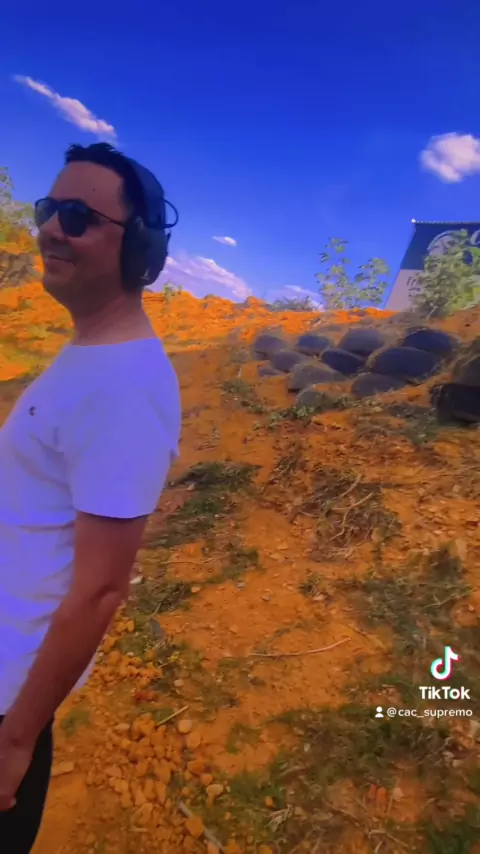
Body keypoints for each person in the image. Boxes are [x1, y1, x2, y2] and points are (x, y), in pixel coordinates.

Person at [0, 142, 182, 852]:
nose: (51, 228)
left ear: (137, 248)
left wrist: (16, 739)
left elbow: (102, 590)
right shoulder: (91, 353)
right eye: (50, 208)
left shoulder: (126, 386)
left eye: (78, 217)